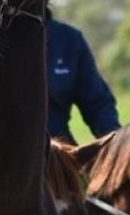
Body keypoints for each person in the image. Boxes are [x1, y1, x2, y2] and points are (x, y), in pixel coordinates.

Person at [46, 13, 120, 143]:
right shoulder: (0, 38)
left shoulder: (68, 40)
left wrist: (117, 145)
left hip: (56, 152)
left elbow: (97, 104)